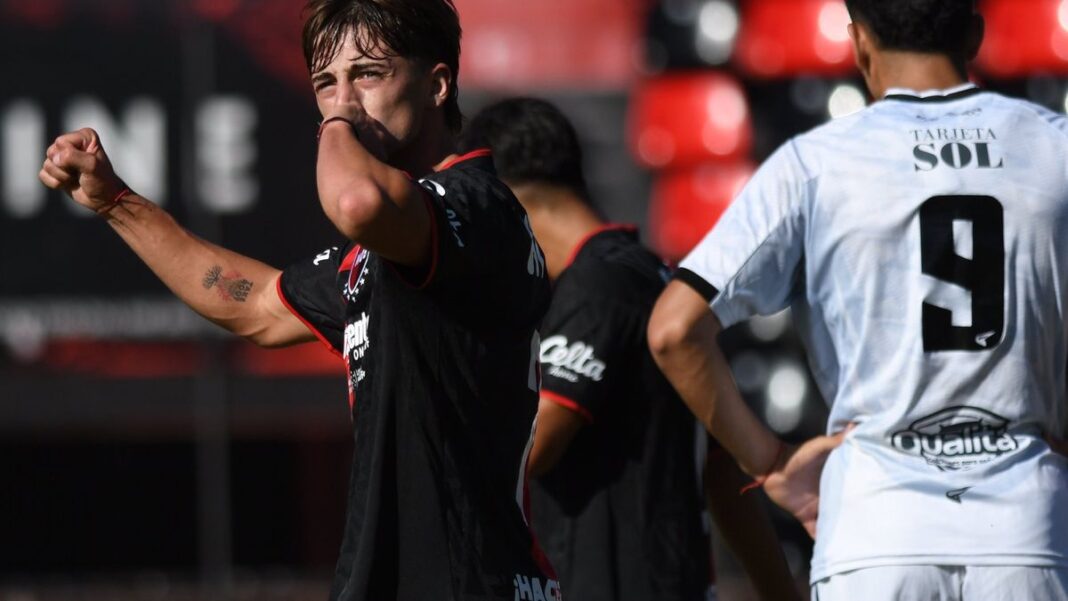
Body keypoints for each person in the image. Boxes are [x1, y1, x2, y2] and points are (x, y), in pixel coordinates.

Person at [37, 1, 558, 600]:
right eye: (325, 82)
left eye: (369, 74)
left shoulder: (473, 205)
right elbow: (253, 303)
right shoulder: (397, 244)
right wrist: (117, 203)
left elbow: (357, 203)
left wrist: (335, 124)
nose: (345, 98)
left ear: (438, 84)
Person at [647, 0, 1068, 599]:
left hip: (875, 535)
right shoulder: (1056, 148)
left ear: (859, 43)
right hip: (1029, 533)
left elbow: (673, 329)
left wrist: (769, 463)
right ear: (976, 33)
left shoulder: (814, 164)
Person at [459, 97, 801, 601]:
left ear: (501, 201)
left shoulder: (599, 288)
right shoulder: (655, 278)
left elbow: (528, 451)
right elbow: (724, 473)